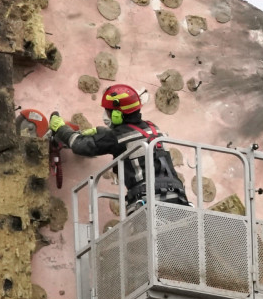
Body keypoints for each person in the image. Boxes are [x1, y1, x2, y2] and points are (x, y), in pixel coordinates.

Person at [44, 83, 190, 208]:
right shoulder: (153, 128)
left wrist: (61, 128)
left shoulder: (116, 136)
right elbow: (129, 135)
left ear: (117, 115)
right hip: (178, 197)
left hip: (148, 200)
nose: (106, 115)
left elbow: (79, 145)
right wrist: (101, 132)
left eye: (108, 112)